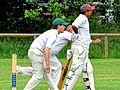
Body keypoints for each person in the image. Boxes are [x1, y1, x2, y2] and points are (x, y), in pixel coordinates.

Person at [63, 4, 101, 90]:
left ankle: (91, 88)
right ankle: (66, 89)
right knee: (76, 70)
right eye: (90, 10)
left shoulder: (84, 19)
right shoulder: (82, 18)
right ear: (86, 11)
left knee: (88, 69)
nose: (91, 11)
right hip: (80, 48)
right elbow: (74, 25)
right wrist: (77, 35)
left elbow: (84, 35)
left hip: (83, 48)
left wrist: (92, 41)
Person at [23, 18, 69, 90]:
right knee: (38, 76)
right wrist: (47, 64)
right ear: (58, 26)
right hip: (37, 53)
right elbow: (46, 49)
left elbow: (37, 44)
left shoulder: (50, 32)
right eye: (63, 25)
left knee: (47, 74)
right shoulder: (53, 35)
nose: (65, 27)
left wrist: (32, 59)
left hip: (35, 52)